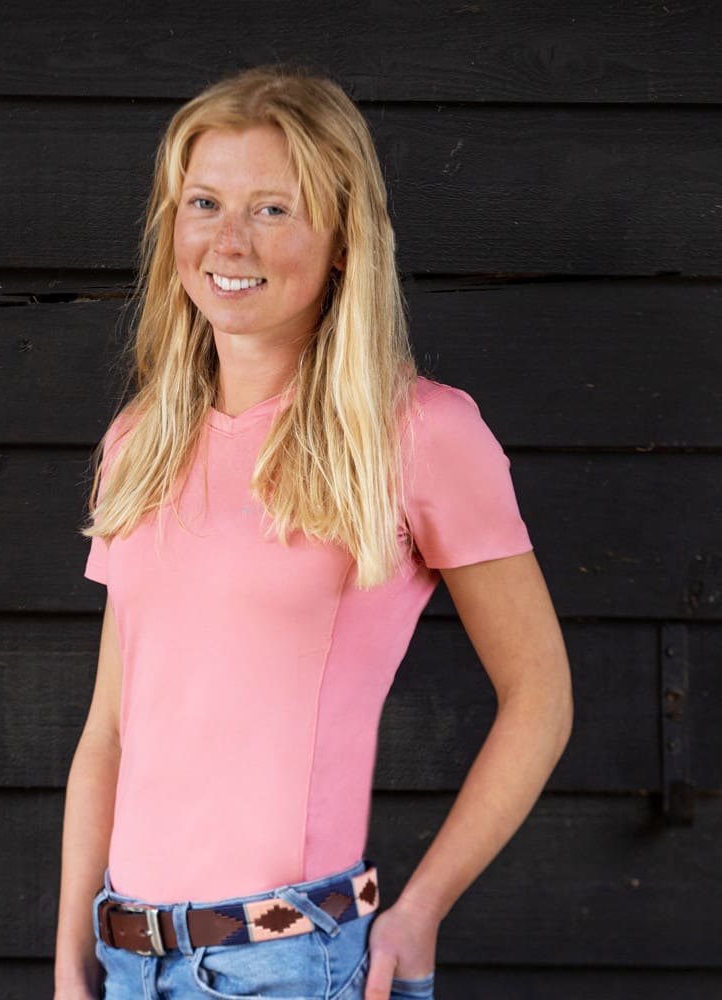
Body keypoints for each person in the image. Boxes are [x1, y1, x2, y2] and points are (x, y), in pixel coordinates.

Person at [53, 65, 572, 1000]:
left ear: (342, 241)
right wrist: (69, 961)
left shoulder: (417, 434)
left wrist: (422, 909)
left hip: (288, 965)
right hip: (126, 958)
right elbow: (111, 733)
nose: (229, 241)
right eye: (204, 203)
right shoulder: (138, 442)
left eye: (273, 209)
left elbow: (540, 693)